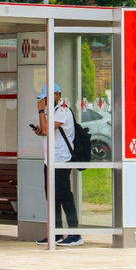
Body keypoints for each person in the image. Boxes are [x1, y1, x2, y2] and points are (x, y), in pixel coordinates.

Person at [32, 83, 83, 246]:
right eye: (43, 98)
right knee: (51, 196)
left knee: (64, 195)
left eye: (47, 97)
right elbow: (46, 132)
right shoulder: (51, 111)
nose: (45, 100)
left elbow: (47, 129)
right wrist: (41, 130)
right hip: (50, 160)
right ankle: (56, 232)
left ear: (57, 95)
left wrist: (40, 111)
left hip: (61, 160)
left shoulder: (63, 111)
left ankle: (75, 233)